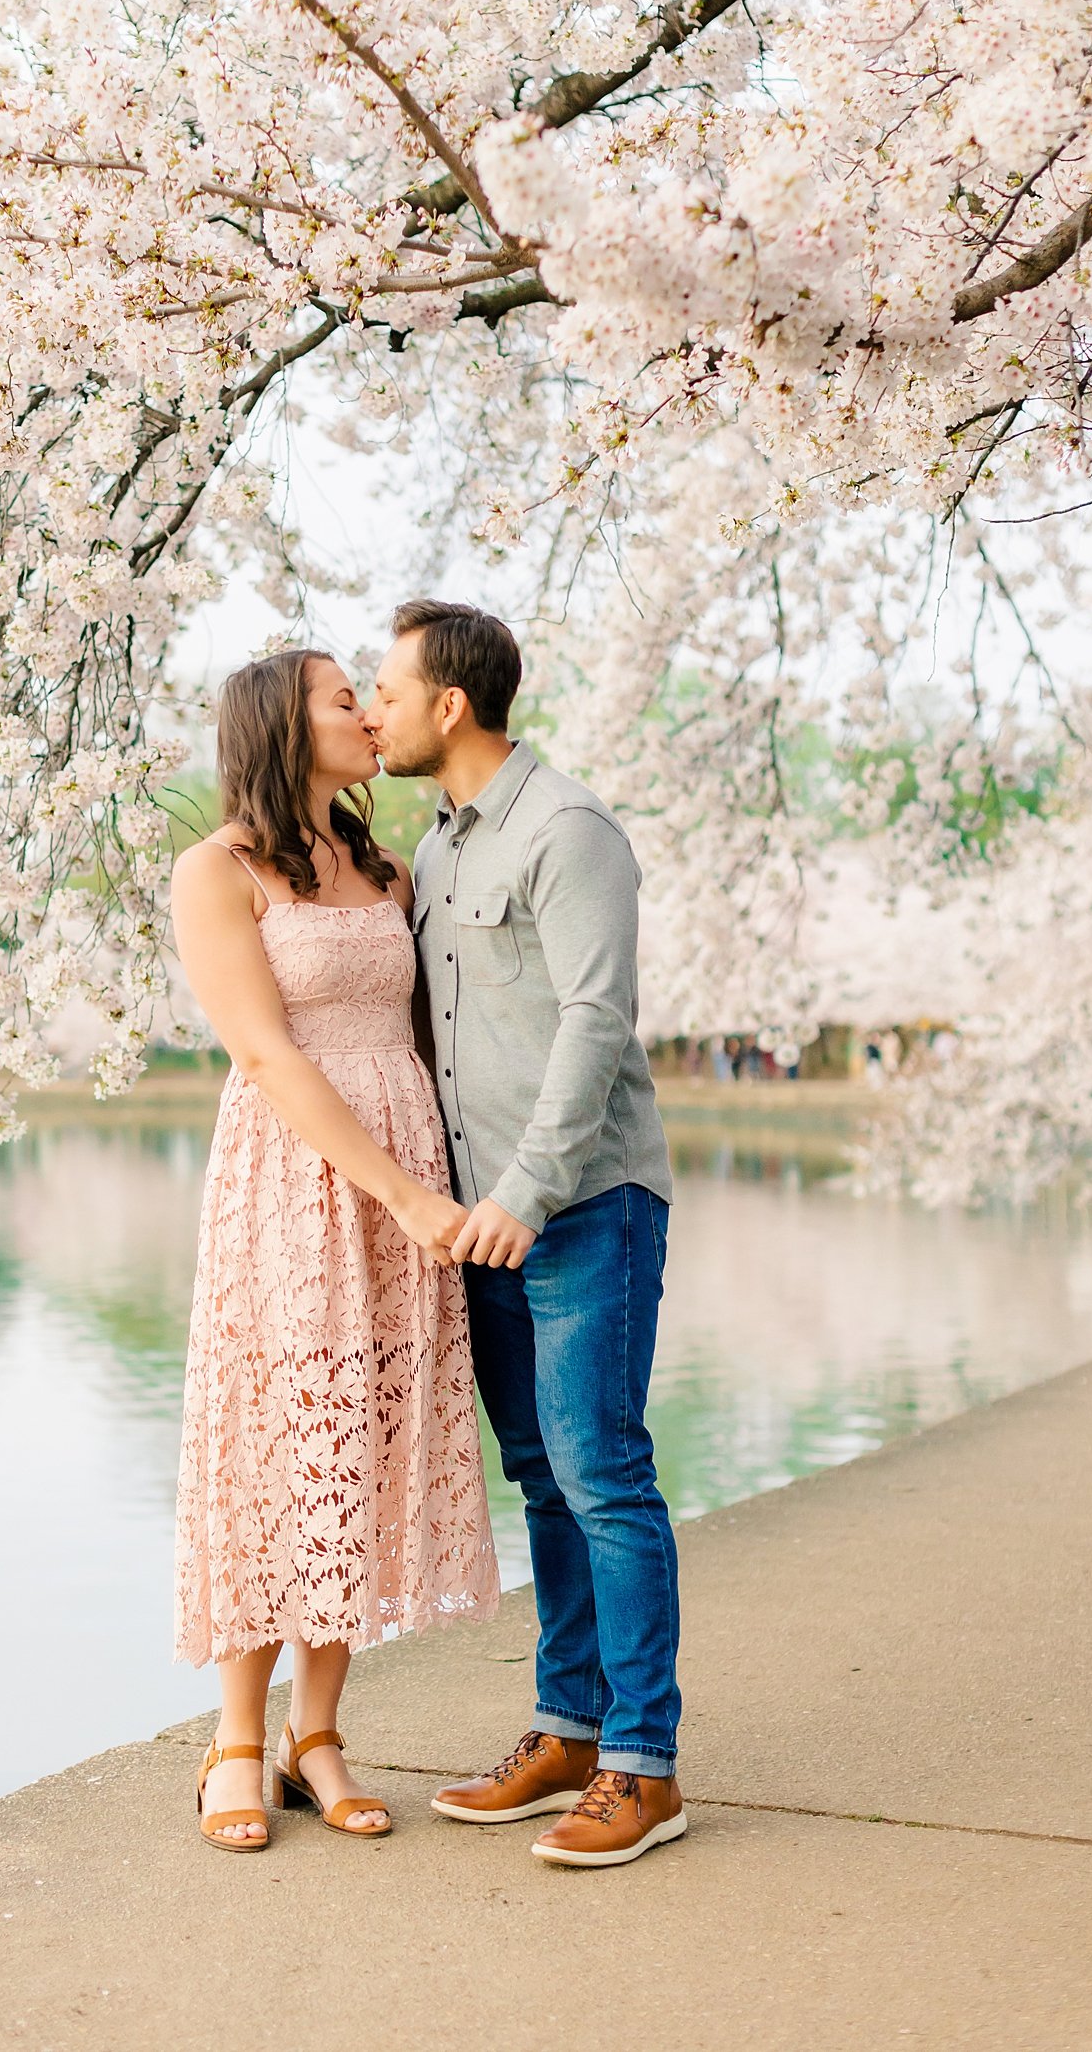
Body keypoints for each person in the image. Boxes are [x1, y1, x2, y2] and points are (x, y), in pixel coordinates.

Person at [365, 600, 685, 1871]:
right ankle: (567, 1728)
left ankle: (645, 1767)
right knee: (543, 1478)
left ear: (451, 705)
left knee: (604, 1473)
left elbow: (595, 1027)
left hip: (584, 1205)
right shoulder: (438, 855)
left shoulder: (569, 832)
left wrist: (528, 1189)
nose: (376, 711)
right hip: (481, 1221)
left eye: (388, 690)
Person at [170, 648, 499, 1854]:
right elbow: (265, 1054)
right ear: (279, 724)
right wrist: (402, 1194)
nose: (367, 711)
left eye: (370, 693)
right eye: (340, 697)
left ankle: (320, 1735)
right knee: (279, 1445)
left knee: (355, 1448)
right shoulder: (217, 871)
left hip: (403, 1172)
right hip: (296, 1183)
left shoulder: (391, 867)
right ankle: (238, 1741)